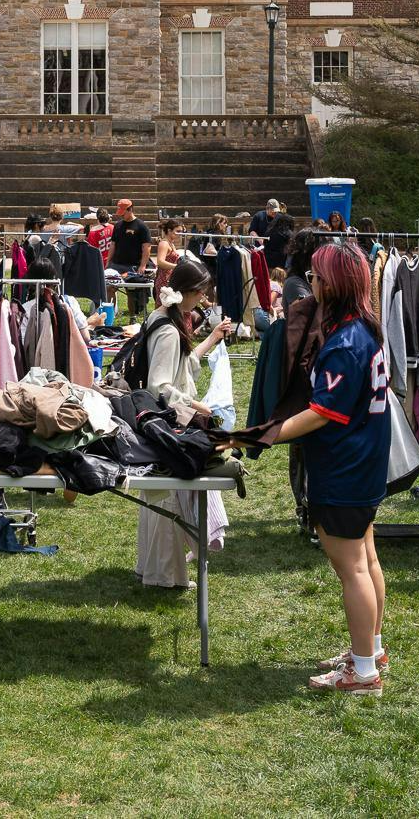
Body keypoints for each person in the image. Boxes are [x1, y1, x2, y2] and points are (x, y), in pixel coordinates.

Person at [267, 242, 393, 694]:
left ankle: (362, 673)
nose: (313, 284)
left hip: (345, 467)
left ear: (334, 284)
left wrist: (271, 432)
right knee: (367, 559)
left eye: (319, 278)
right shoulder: (366, 329)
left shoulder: (344, 343)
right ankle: (371, 650)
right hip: (365, 462)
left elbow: (323, 411)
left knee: (352, 569)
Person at [134, 255, 236, 589]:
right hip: (166, 423)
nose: (205, 299)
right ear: (189, 291)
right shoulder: (168, 327)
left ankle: (155, 569)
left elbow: (182, 364)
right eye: (202, 292)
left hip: (164, 421)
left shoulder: (168, 317)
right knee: (167, 496)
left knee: (162, 496)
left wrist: (211, 339)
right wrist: (197, 406)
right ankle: (164, 575)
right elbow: (160, 386)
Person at [108, 198, 154, 318]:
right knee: (109, 288)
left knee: (131, 292)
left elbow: (146, 248)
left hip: (132, 266)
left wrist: (143, 265)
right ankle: (109, 316)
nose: (122, 216)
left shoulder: (142, 226)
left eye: (124, 213)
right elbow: (113, 245)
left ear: (130, 209)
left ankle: (132, 317)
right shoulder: (117, 226)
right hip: (117, 264)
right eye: (120, 213)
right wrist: (108, 262)